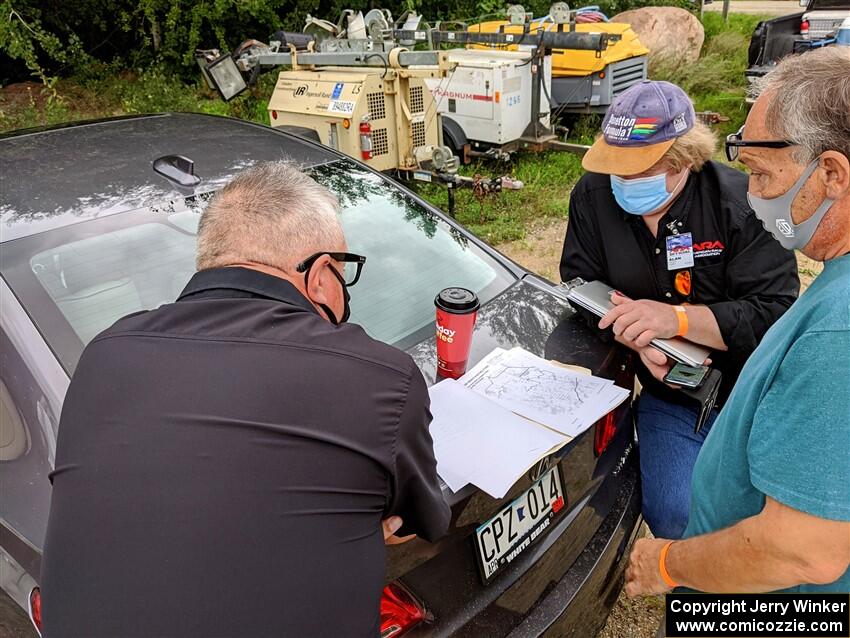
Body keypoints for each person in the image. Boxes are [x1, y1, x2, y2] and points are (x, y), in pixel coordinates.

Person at [40, 162, 451, 636]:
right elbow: (426, 517)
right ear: (320, 276)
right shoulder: (379, 378)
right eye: (343, 273)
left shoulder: (104, 355)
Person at [625, 47, 850, 596]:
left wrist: (667, 566)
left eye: (761, 173)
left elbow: (801, 550)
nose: (752, 196)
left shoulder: (836, 334)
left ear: (832, 173)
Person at [559, 80, 799, 539]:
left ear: (685, 159)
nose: (623, 183)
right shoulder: (592, 196)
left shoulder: (742, 204)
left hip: (751, 393)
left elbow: (775, 312)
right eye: (616, 168)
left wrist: (677, 321)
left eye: (639, 170)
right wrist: (633, 335)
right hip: (673, 397)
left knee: (766, 523)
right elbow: (579, 284)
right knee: (674, 514)